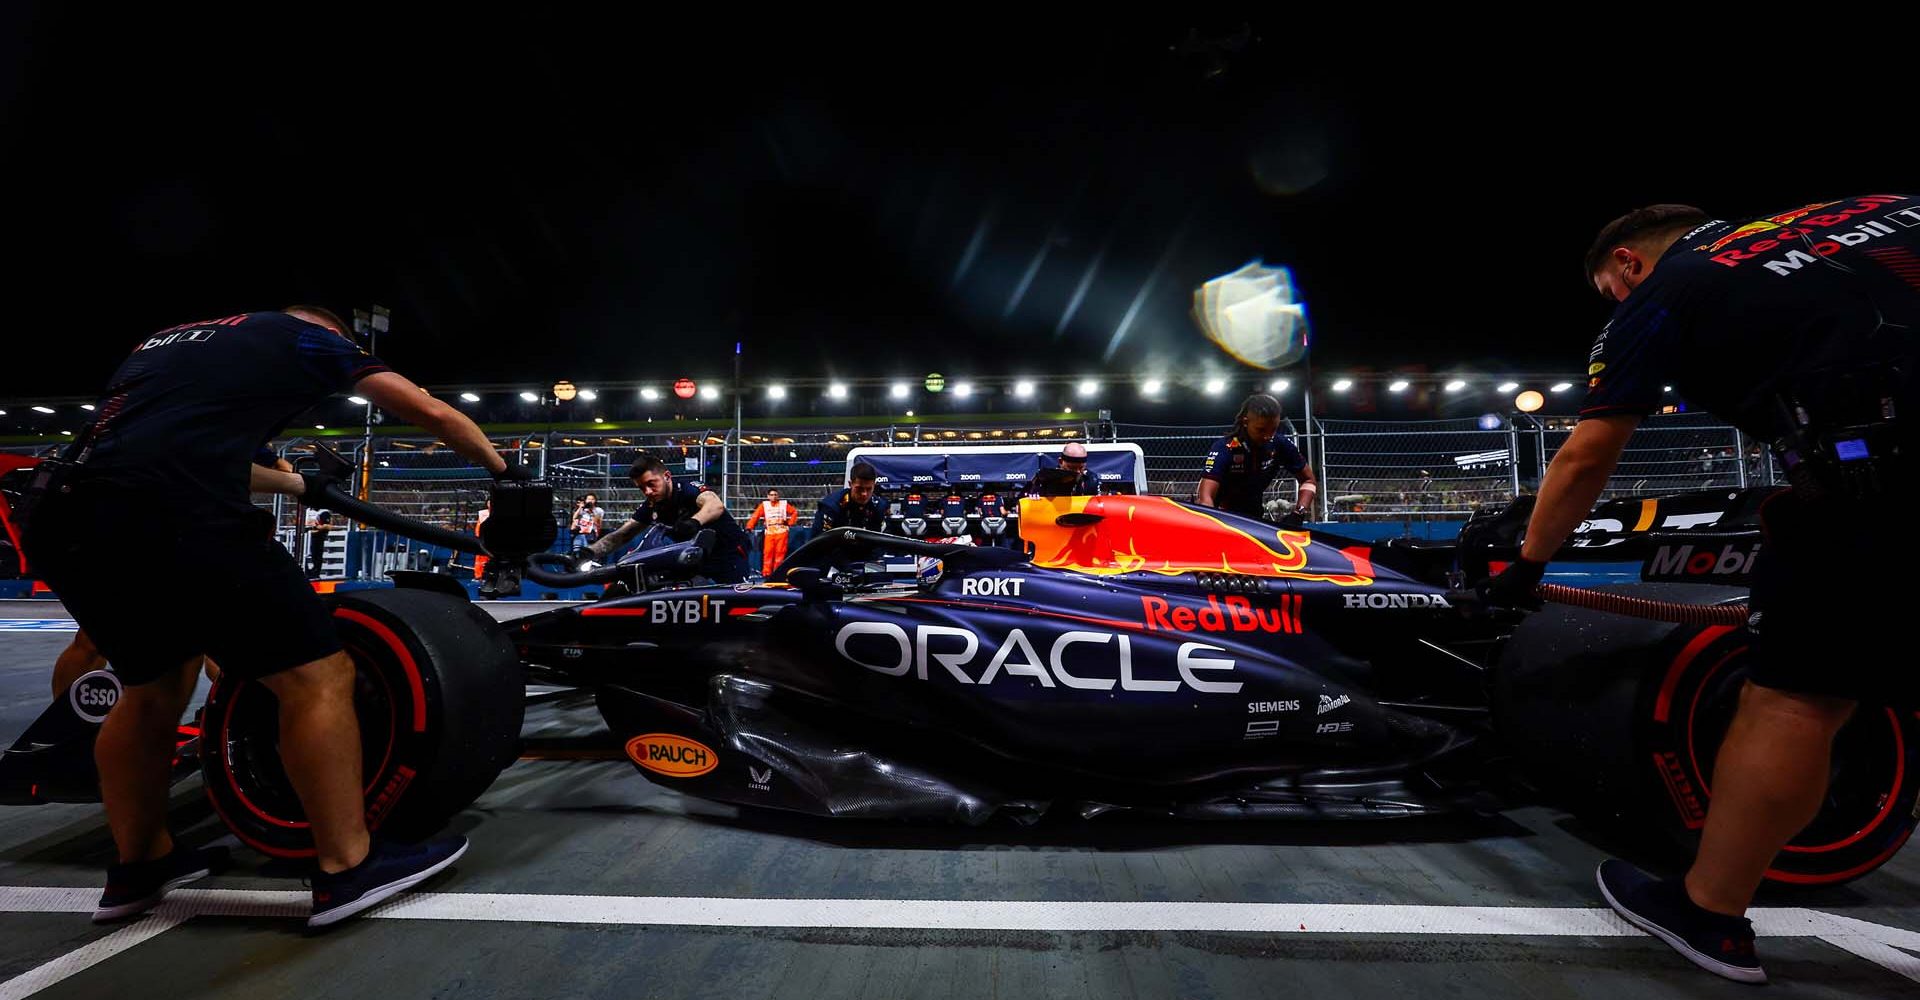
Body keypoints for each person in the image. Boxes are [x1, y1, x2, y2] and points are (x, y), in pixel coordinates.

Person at [1478, 196, 1919, 984]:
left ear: (1627, 266)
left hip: (1873, 475)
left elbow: (1586, 454)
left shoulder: (1663, 293)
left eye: (1610, 292)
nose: (1618, 302)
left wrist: (1528, 565)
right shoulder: (1873, 208)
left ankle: (1709, 912)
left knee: (1796, 697)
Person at [19, 306, 528, 929]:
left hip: (65, 512)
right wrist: (511, 479)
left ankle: (139, 865)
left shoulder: (164, 340)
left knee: (152, 687)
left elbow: (170, 445)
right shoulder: (308, 337)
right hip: (175, 513)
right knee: (316, 678)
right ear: (333, 332)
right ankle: (349, 865)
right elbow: (431, 410)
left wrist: (303, 489)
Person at [580, 454, 751, 583]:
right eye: (642, 488)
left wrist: (694, 521)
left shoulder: (687, 489)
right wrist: (589, 552)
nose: (647, 492)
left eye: (651, 484)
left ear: (667, 477)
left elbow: (715, 505)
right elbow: (622, 535)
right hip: (698, 561)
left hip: (729, 555)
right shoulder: (651, 505)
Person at [1195, 393, 1318, 521]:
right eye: (1261, 430)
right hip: (1220, 516)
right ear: (1245, 422)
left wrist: (1299, 513)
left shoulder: (1279, 444)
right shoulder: (1225, 448)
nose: (1268, 436)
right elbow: (1205, 498)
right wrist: (1213, 525)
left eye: (1274, 429)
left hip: (1254, 518)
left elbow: (1309, 480)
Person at [814, 461, 890, 533]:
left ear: (874, 486)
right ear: (850, 484)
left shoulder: (879, 506)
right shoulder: (831, 507)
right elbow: (818, 541)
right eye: (859, 488)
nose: (864, 494)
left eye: (869, 489)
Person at [745, 488, 796, 577]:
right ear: (768, 496)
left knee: (780, 553)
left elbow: (794, 512)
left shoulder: (784, 504)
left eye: (775, 495)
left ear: (778, 496)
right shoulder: (764, 505)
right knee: (768, 552)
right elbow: (755, 516)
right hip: (769, 532)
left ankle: (777, 572)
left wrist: (790, 523)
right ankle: (766, 573)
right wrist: (749, 527)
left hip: (782, 531)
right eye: (771, 495)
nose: (774, 496)